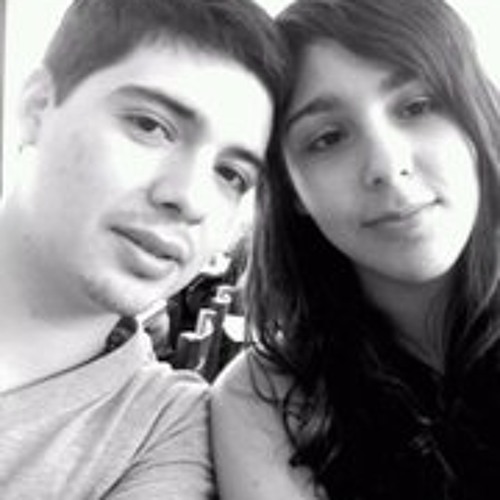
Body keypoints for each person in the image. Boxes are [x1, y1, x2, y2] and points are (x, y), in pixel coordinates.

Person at [211, 0, 500, 498]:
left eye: (416, 106)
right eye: (328, 138)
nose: (387, 165)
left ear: (475, 121)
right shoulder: (263, 403)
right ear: (291, 191)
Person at [0, 0, 286, 497]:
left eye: (230, 175)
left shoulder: (164, 432)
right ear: (36, 109)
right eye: (150, 126)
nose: (191, 198)